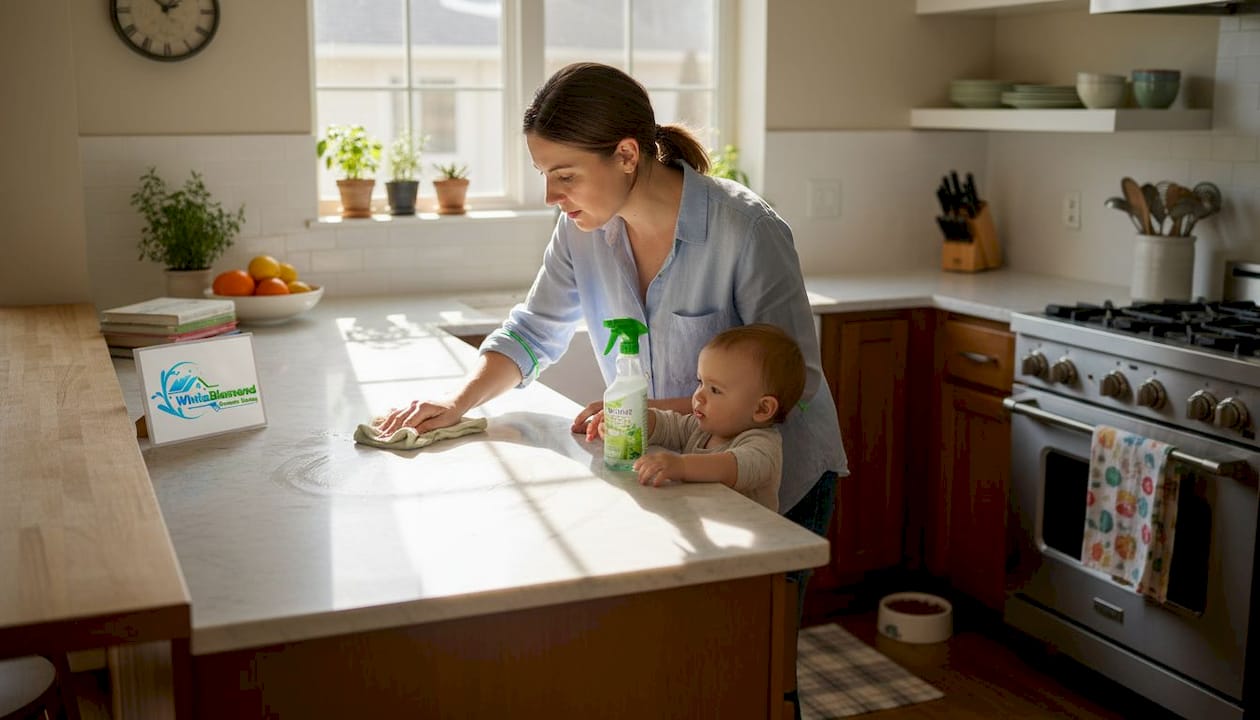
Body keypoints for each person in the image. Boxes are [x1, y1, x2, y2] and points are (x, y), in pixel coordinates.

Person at [375, 61, 848, 716]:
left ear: (627, 155)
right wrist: (457, 403)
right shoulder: (581, 231)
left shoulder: (746, 232)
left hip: (770, 479)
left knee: (755, 679)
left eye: (563, 175)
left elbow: (793, 384)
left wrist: (654, 412)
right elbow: (533, 331)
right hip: (670, 474)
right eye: (546, 175)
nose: (551, 195)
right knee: (675, 670)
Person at [622, 323, 805, 514]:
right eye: (700, 382)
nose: (698, 396)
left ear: (762, 408)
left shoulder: (763, 448)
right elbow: (666, 424)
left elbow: (730, 466)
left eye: (715, 390)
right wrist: (630, 420)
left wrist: (681, 465)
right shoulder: (703, 428)